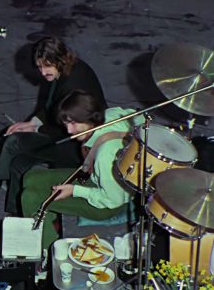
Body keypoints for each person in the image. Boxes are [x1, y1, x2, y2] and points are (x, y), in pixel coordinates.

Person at [0, 37, 107, 214]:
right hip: (62, 135)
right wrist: (32, 122)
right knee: (18, 164)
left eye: (47, 66)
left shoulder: (73, 85)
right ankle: (17, 212)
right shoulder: (64, 70)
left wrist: (36, 128)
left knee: (14, 143)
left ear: (59, 60)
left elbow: (65, 129)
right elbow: (52, 105)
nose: (43, 72)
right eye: (39, 67)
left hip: (73, 147)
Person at [21, 90, 143, 249]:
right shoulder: (111, 114)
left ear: (92, 119)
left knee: (30, 198)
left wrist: (74, 191)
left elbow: (113, 200)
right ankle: (48, 222)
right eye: (67, 124)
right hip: (97, 179)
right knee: (30, 177)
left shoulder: (106, 156)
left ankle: (49, 250)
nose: (69, 131)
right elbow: (136, 116)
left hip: (105, 204)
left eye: (74, 123)